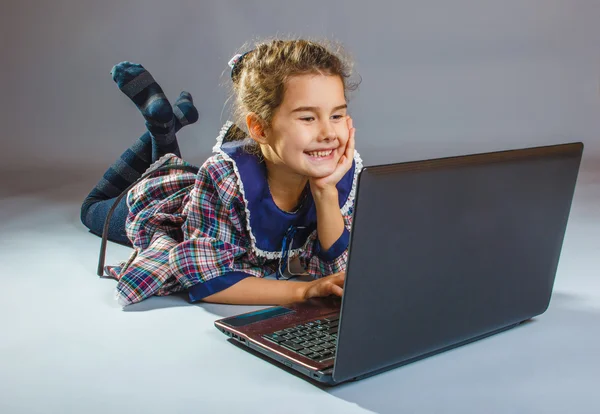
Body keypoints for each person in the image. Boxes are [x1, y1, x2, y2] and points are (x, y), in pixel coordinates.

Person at [81, 38, 362, 307]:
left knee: (169, 162)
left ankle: (164, 126)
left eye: (337, 115)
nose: (328, 133)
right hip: (167, 209)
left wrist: (325, 192)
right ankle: (160, 129)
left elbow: (341, 270)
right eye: (308, 118)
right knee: (90, 208)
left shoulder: (336, 175)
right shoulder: (223, 178)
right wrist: (305, 290)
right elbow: (209, 280)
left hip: (204, 198)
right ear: (260, 129)